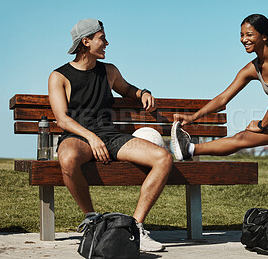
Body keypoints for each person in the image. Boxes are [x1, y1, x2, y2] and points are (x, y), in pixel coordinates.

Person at [172, 14, 268, 217]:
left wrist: (263, 124)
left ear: (265, 36)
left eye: (249, 34)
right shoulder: (251, 68)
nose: (243, 39)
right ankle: (190, 149)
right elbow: (223, 98)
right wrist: (192, 118)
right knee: (242, 138)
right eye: (241, 35)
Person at [48, 18, 172, 252]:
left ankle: (135, 229)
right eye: (102, 38)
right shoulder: (59, 76)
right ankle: (92, 220)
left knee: (163, 158)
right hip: (78, 137)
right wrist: (91, 138)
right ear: (86, 42)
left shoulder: (109, 71)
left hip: (111, 137)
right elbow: (63, 119)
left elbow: (127, 89)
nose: (107, 43)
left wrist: (142, 93)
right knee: (67, 159)